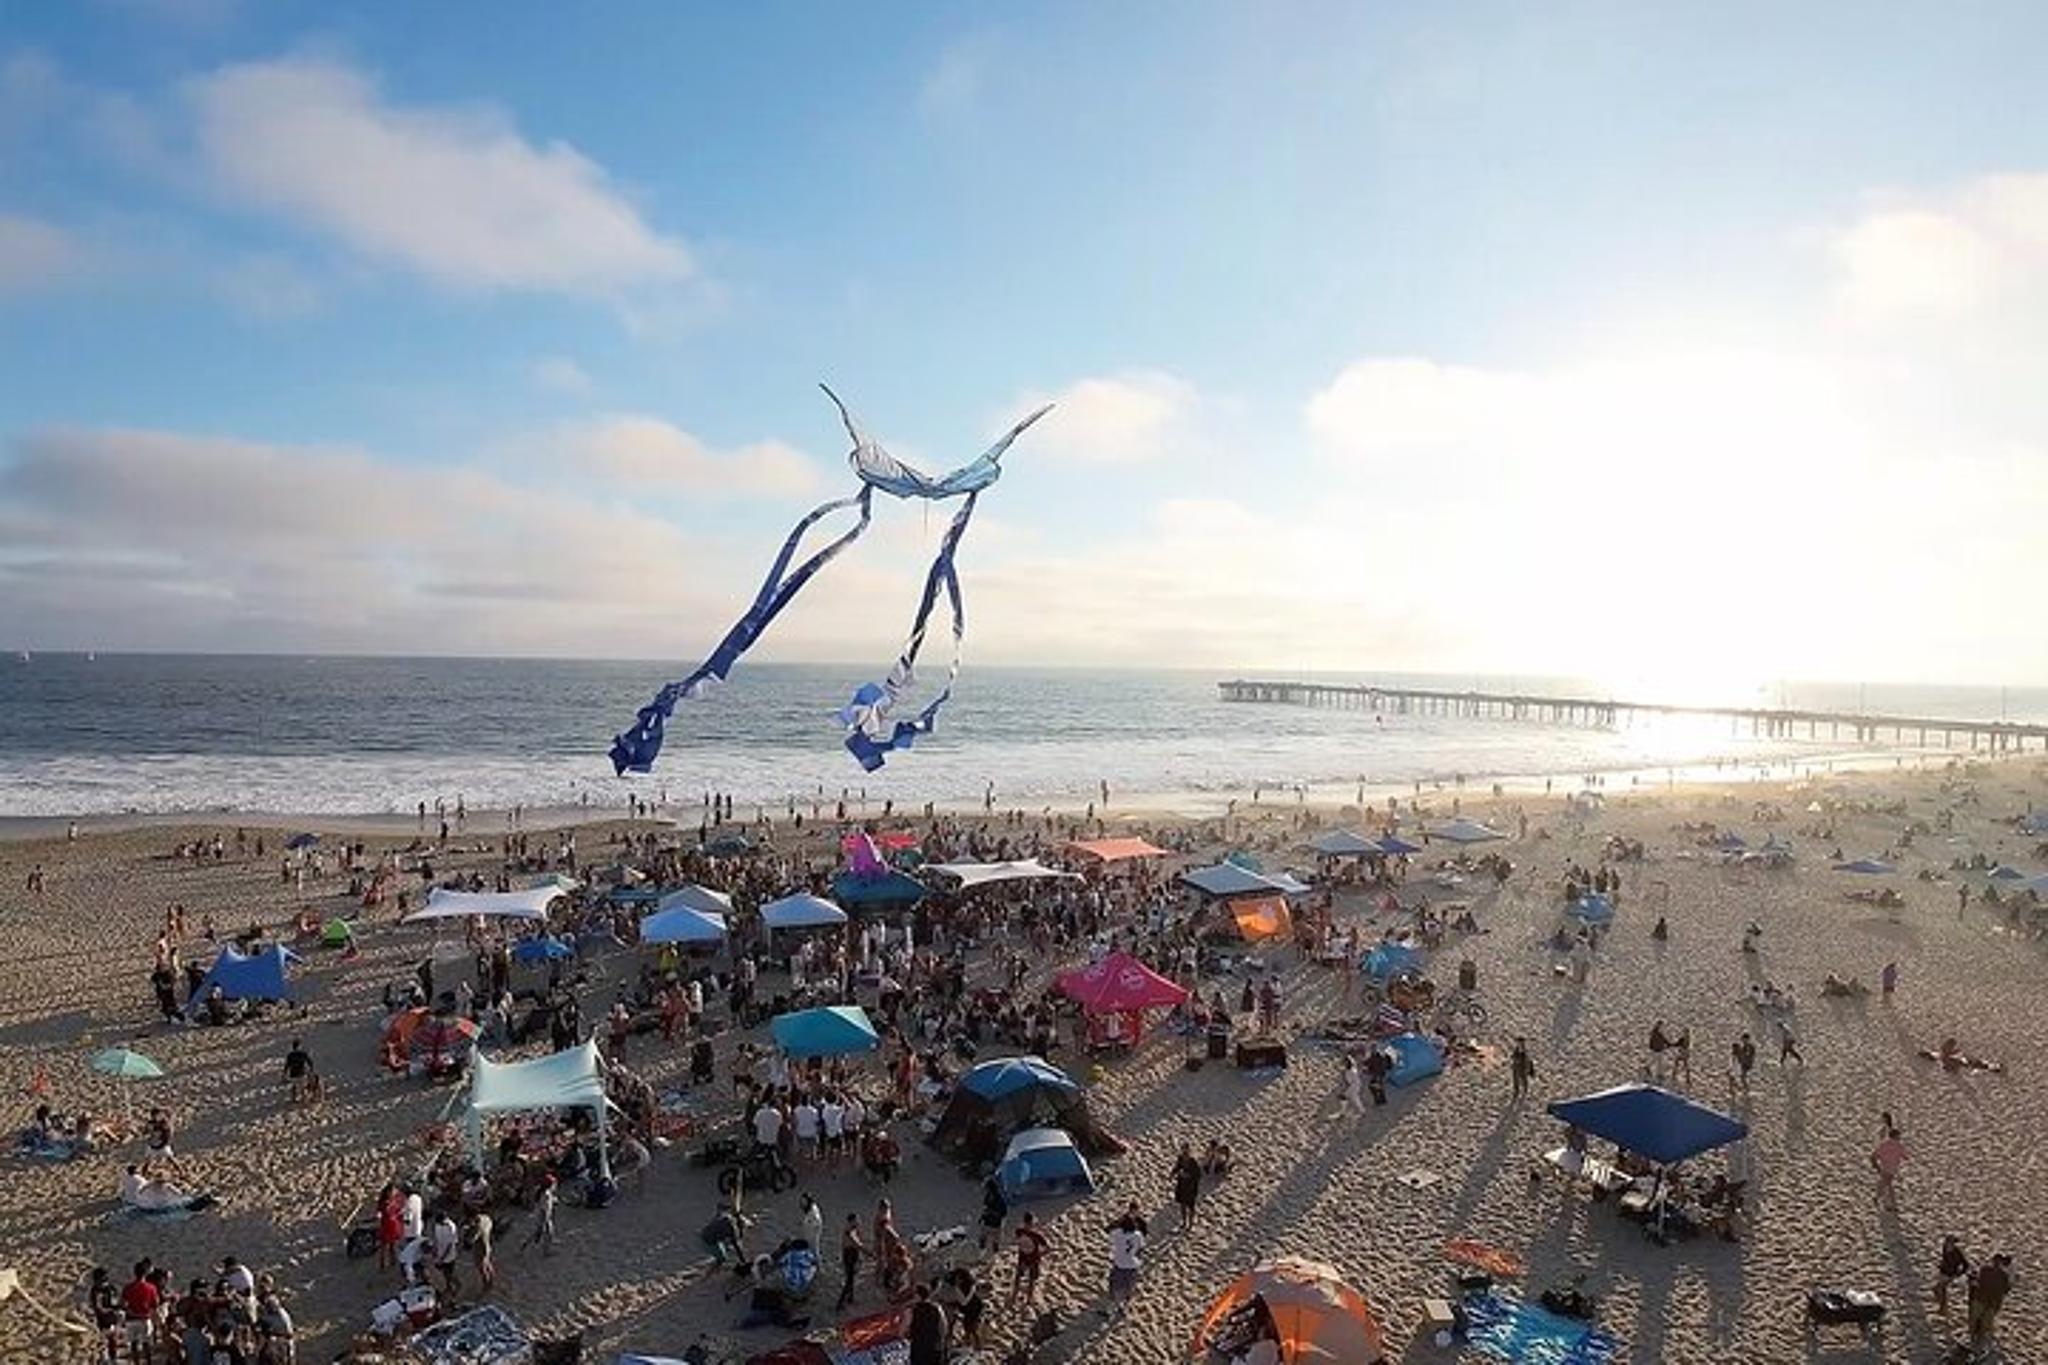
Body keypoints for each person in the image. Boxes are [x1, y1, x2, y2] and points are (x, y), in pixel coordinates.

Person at [1968, 1252, 2012, 1347]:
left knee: (1977, 1321)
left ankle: (1974, 1340)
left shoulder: (1987, 1270)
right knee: (1980, 1322)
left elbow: (1977, 1282)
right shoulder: (2000, 1274)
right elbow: (2006, 1290)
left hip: (1985, 1300)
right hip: (1988, 1301)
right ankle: (1975, 1340)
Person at [121, 1260, 160, 1361]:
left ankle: (136, 1362)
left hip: (131, 1318)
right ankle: (148, 1362)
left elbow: (122, 1303)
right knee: (146, 1344)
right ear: (145, 1273)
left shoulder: (128, 1287)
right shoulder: (151, 1288)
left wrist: (129, 1310)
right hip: (145, 1318)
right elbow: (155, 1304)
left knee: (133, 1344)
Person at [1107, 1210, 1146, 1304]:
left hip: (1119, 1264)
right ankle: (1125, 1305)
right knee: (1129, 1286)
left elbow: (1108, 1230)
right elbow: (1140, 1250)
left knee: (1115, 1286)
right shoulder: (1138, 1235)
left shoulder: (1117, 1233)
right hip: (1133, 1264)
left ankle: (1115, 1305)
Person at [1012, 1211, 1049, 1307]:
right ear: (1032, 1223)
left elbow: (1017, 1241)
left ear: (1023, 1221)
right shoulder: (1036, 1235)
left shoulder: (1019, 1231)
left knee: (1019, 1277)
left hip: (1023, 1258)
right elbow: (1047, 1248)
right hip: (1033, 1259)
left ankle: (1014, 1295)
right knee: (1031, 1280)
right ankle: (1028, 1299)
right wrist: (1041, 1254)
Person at [907, 1282, 949, 1365]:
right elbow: (944, 1327)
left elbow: (902, 1330)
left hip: (919, 1348)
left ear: (918, 1296)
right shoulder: (937, 1308)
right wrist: (941, 1342)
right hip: (934, 1346)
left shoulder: (912, 1310)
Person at [1935, 1234, 1970, 1314]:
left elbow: (1966, 1264)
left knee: (1941, 1288)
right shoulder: (1944, 1248)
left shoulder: (1957, 1253)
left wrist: (1959, 1273)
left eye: (1949, 1242)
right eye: (1947, 1242)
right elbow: (1945, 1259)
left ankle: (1943, 1308)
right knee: (1939, 1290)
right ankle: (1943, 1307)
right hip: (1943, 1271)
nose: (1947, 1244)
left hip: (1950, 1273)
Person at [1870, 1130, 1906, 1208]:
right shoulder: (1899, 1146)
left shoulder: (1884, 1144)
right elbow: (1905, 1156)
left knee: (1884, 1183)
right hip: (1893, 1168)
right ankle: (1890, 1203)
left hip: (1884, 1166)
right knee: (1888, 1184)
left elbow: (1875, 1155)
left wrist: (1875, 1164)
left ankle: (1878, 1198)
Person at [1172, 1142, 1204, 1229]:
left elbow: (1198, 1175)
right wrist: (1173, 1173)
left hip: (1190, 1187)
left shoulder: (1193, 1162)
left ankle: (1190, 1224)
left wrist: (1187, 1176)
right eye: (1183, 1150)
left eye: (1186, 1150)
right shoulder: (1180, 1158)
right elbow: (1177, 1167)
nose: (1184, 1153)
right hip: (1181, 1185)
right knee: (1182, 1205)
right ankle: (1184, 1221)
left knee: (1191, 1207)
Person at [836, 1213, 864, 1311]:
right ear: (852, 1221)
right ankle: (840, 1303)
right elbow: (857, 1244)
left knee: (851, 1279)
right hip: (849, 1256)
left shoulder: (853, 1229)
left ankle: (850, 1298)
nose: (859, 1222)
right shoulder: (849, 1230)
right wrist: (869, 1253)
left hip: (852, 1255)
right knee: (849, 1280)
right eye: (857, 1220)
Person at [978, 1177, 1009, 1254]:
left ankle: (994, 1257)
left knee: (995, 1242)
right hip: (987, 1222)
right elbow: (985, 1208)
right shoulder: (987, 1196)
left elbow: (1003, 1213)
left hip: (996, 1224)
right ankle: (981, 1253)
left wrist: (992, 1213)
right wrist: (982, 1217)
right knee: (982, 1239)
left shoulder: (1000, 1200)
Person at [283, 1038, 319, 1104]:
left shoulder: (290, 1055)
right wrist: (311, 1070)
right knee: (302, 1087)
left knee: (294, 1087)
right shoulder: (303, 1054)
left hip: (293, 1074)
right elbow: (310, 1062)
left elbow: (287, 1065)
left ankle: (294, 1099)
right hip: (301, 1073)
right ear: (299, 1046)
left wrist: (284, 1074)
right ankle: (304, 1100)